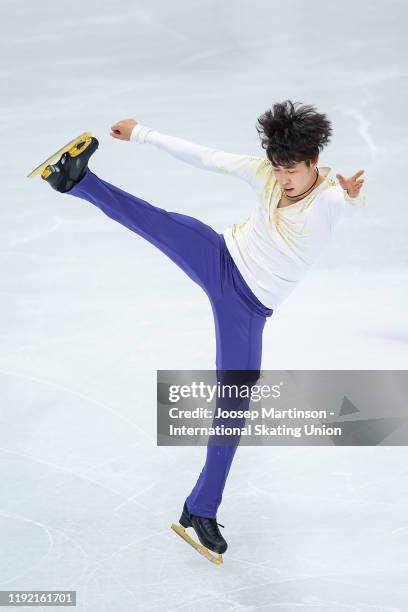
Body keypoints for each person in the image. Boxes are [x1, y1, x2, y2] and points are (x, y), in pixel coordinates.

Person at [39, 100, 365, 561]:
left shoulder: (330, 197)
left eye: (292, 169)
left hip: (248, 309)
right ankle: (74, 180)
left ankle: (199, 508)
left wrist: (350, 195)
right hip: (219, 257)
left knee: (232, 407)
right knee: (156, 221)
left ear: (313, 163)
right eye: (277, 168)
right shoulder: (266, 174)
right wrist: (140, 133)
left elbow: (346, 202)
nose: (283, 178)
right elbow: (207, 157)